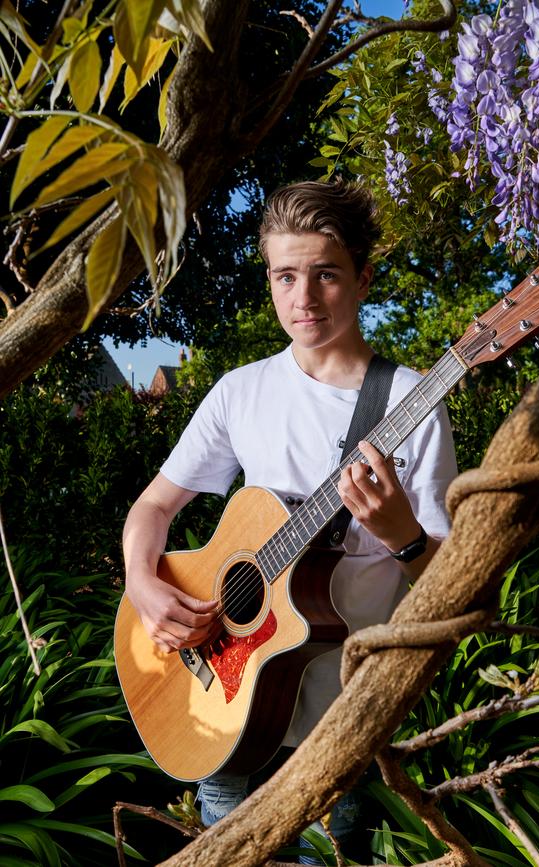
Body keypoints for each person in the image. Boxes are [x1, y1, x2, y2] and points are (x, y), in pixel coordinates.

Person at [122, 178, 458, 862]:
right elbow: (152, 508)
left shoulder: (411, 399)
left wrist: (402, 533)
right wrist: (142, 583)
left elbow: (448, 584)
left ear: (363, 278)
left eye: (325, 275)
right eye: (285, 275)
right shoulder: (240, 392)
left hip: (340, 726)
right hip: (222, 708)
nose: (302, 298)